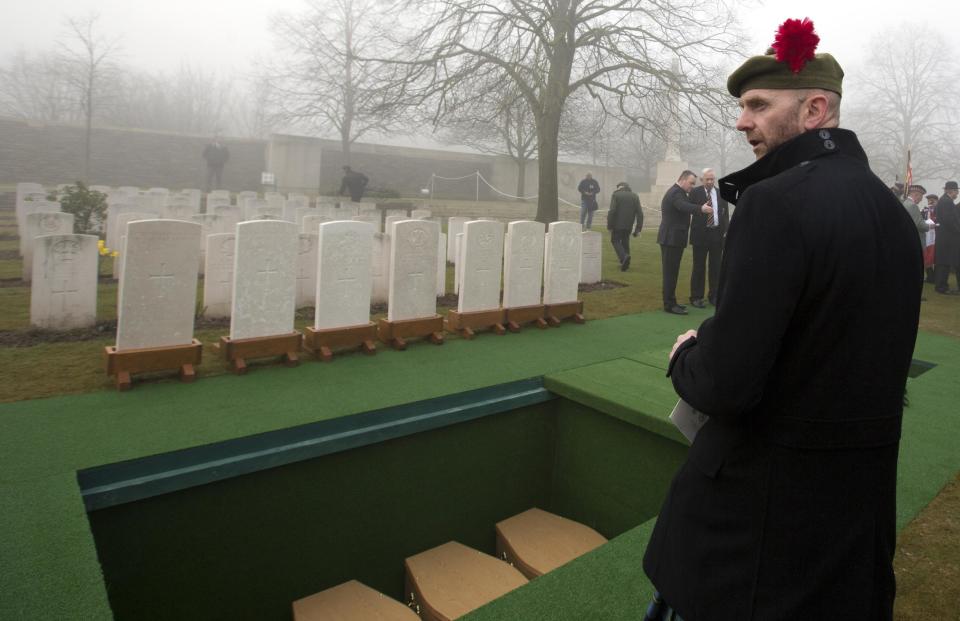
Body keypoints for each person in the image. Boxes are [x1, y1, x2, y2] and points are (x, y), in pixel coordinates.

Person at [642, 18, 922, 621]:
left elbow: (726, 385)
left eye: (759, 105)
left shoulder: (775, 203)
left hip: (751, 544)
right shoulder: (893, 214)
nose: (742, 121)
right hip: (848, 534)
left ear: (816, 109)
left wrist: (688, 354)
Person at [658, 171, 712, 315]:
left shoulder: (679, 192)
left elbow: (686, 205)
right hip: (671, 239)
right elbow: (683, 206)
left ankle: (672, 302)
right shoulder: (675, 193)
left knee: (673, 272)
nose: (693, 186)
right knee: (670, 273)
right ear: (682, 180)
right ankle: (669, 305)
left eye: (694, 183)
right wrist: (701, 208)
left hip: (675, 238)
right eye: (691, 183)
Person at [687, 168, 729, 307]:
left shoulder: (720, 192)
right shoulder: (694, 192)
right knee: (699, 267)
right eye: (707, 179)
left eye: (712, 179)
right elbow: (688, 208)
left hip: (717, 235)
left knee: (716, 267)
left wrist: (726, 230)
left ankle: (714, 295)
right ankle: (696, 297)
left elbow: (725, 214)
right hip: (700, 235)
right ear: (701, 179)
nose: (710, 181)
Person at [606, 181, 643, 271]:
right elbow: (640, 213)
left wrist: (609, 225)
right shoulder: (635, 196)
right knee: (625, 242)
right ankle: (625, 264)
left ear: (620, 187)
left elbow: (612, 211)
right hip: (629, 225)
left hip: (617, 225)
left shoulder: (616, 195)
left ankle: (624, 257)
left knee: (615, 241)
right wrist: (638, 228)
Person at [933, 181, 960, 294]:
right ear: (950, 190)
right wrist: (958, 230)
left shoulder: (944, 200)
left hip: (944, 237)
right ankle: (941, 287)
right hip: (947, 238)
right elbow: (948, 220)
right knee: (944, 262)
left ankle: (941, 286)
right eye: (956, 191)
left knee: (943, 262)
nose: (957, 194)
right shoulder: (946, 202)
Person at [924, 193, 939, 282]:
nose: (930, 202)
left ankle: (936, 277)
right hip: (927, 236)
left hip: (937, 236)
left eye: (932, 200)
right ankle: (930, 277)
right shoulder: (924, 210)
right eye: (929, 200)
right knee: (927, 256)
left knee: (936, 257)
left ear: (936, 201)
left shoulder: (939, 210)